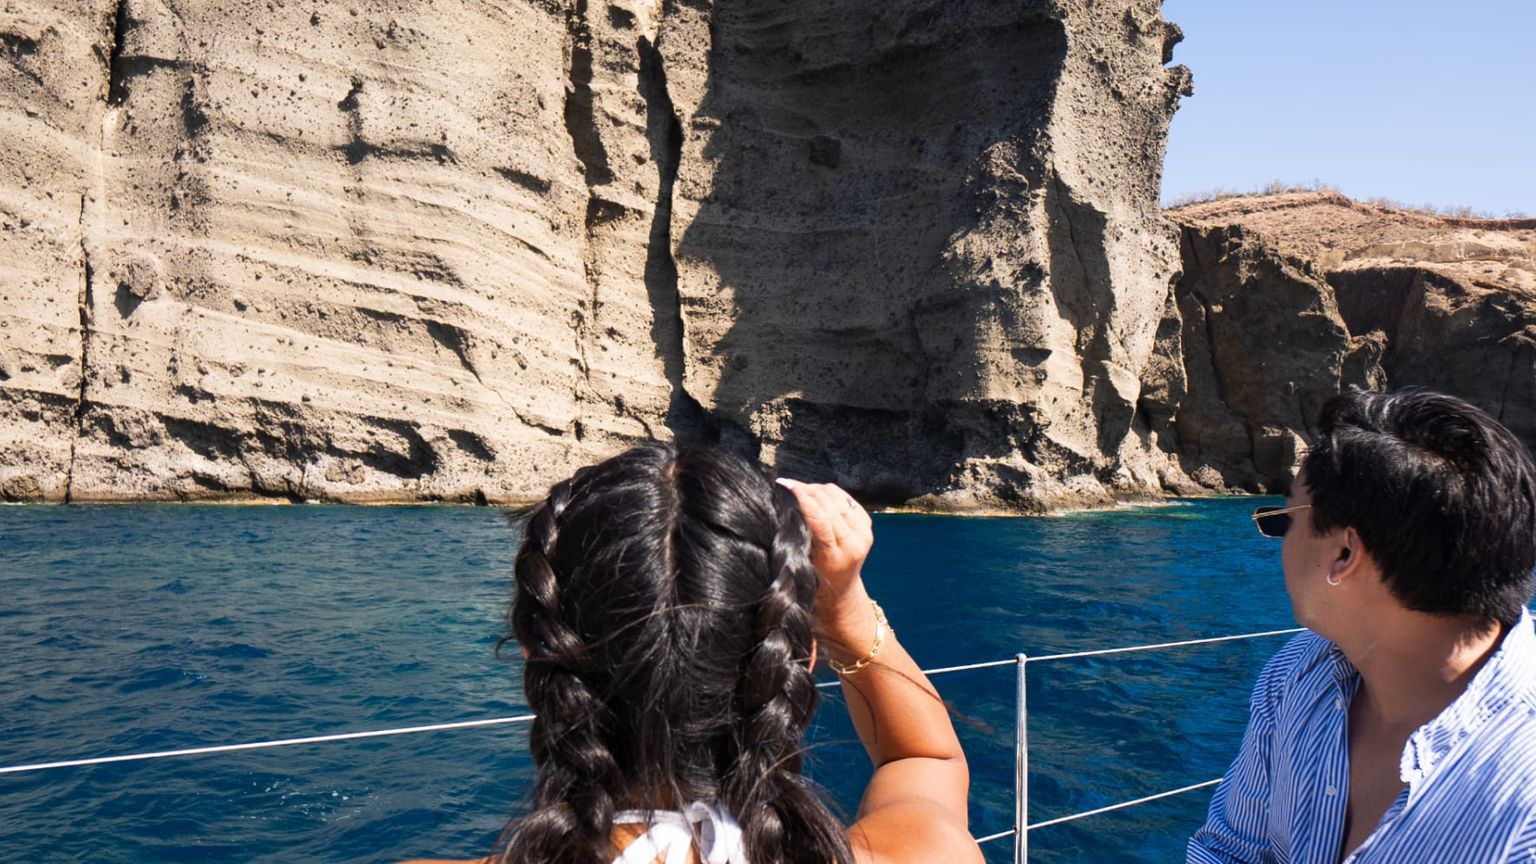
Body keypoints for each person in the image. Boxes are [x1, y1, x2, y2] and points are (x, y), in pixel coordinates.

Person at [403, 443, 983, 864]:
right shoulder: (919, 854)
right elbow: (924, 761)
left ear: (539, 657)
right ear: (799, 658)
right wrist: (846, 609)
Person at [1188, 388, 1536, 863]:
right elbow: (1229, 852)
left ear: (1344, 554)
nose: (1280, 541)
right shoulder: (1296, 673)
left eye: (1283, 520)